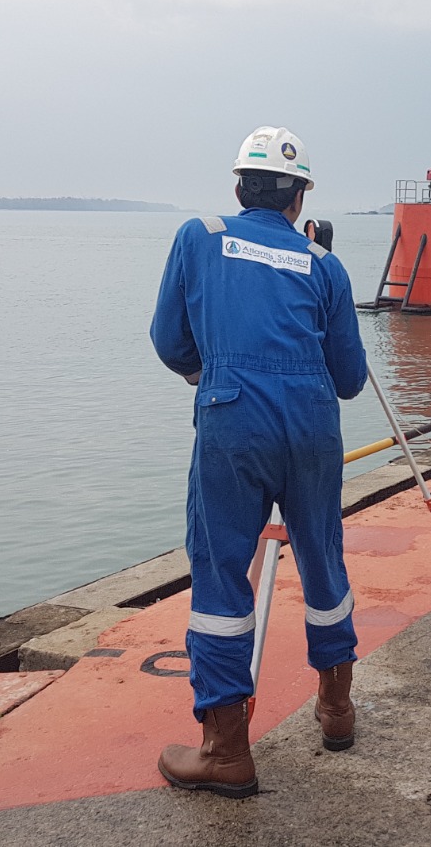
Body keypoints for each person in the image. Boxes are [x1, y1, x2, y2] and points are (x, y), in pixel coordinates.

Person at [150, 125, 369, 799]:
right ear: (300, 198)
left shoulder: (199, 235)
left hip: (233, 418)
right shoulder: (324, 265)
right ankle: (336, 708)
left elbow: (169, 340)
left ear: (240, 186)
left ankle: (225, 750)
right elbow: (350, 379)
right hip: (312, 424)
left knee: (222, 576)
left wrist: (212, 371)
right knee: (322, 558)